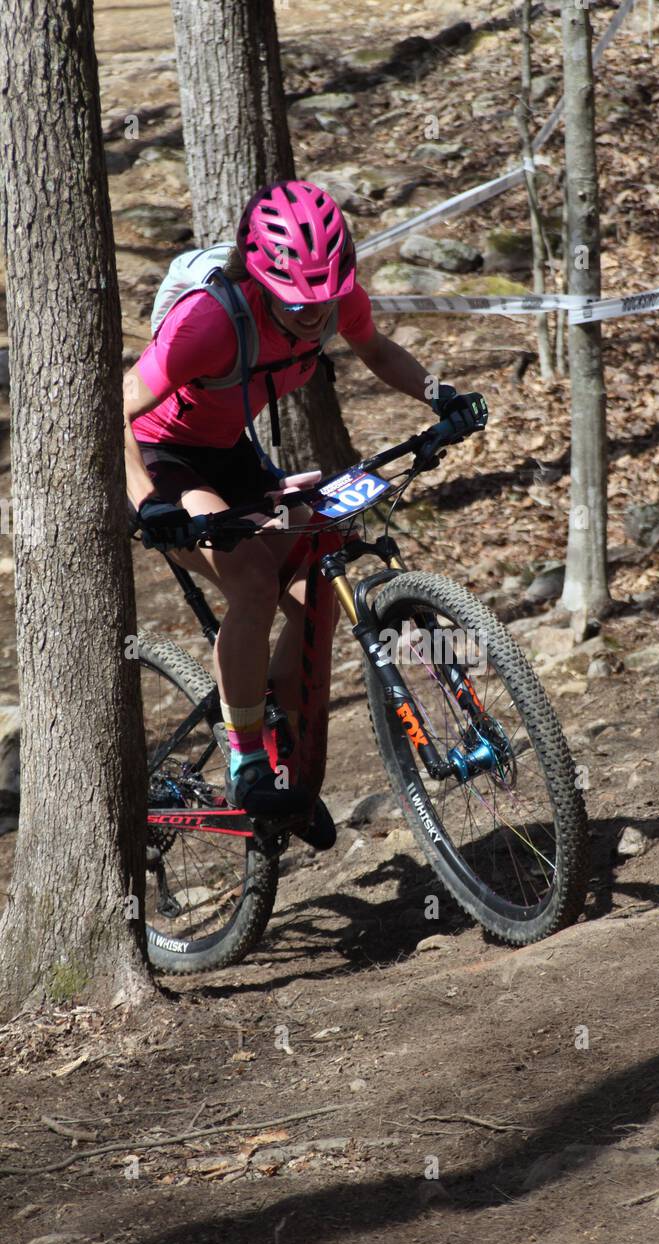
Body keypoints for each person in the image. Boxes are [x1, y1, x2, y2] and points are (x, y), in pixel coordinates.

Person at [124, 179, 479, 826]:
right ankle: (247, 761)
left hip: (231, 451)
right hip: (161, 458)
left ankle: (280, 746)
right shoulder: (207, 321)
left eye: (326, 295)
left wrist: (440, 395)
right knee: (255, 586)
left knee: (314, 587)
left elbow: (375, 349)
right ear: (260, 279)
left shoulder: (335, 296)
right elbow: (118, 409)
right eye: (298, 299)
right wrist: (152, 505)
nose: (317, 314)